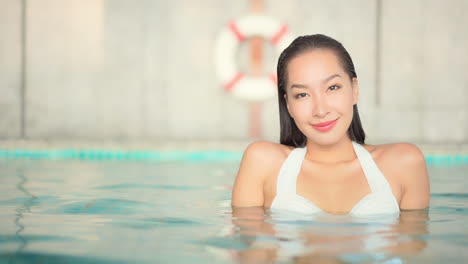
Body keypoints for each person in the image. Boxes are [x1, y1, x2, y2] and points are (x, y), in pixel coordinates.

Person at [231, 34, 430, 215]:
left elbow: (411, 249)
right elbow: (251, 250)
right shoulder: (262, 161)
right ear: (288, 105)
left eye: (332, 87)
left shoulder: (405, 162)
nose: (320, 110)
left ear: (354, 89)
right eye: (302, 94)